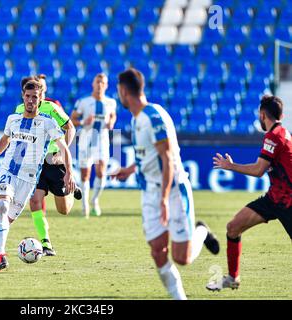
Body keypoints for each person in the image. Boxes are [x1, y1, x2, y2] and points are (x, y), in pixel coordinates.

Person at [111, 68, 219, 300]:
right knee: (157, 250)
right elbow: (147, 157)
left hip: (173, 192)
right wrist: (128, 171)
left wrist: (164, 199)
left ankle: (201, 231)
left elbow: (167, 158)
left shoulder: (154, 117)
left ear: (123, 91)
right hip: (149, 192)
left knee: (183, 258)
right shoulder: (136, 119)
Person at [0, 80, 76, 270]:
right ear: (23, 96)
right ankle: (0, 255)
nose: (31, 100)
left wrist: (69, 173)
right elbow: (3, 142)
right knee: (2, 206)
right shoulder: (13, 119)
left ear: (40, 98)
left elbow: (65, 149)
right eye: (28, 96)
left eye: (35, 97)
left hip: (28, 179)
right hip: (8, 171)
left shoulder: (48, 123)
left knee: (6, 220)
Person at [207, 95, 292, 291]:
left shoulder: (274, 136)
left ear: (262, 114)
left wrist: (230, 166)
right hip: (274, 198)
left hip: (288, 201)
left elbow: (258, 170)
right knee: (233, 227)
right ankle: (232, 277)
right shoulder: (282, 133)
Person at [70, 73, 117, 218]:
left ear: (106, 85)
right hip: (86, 139)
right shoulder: (83, 102)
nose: (100, 85)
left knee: (102, 170)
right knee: (85, 174)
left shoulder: (111, 102)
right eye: (98, 82)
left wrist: (111, 122)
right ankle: (85, 206)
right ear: (93, 84)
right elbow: (72, 119)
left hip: (102, 139)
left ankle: (95, 200)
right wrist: (84, 122)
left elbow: (113, 115)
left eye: (103, 83)